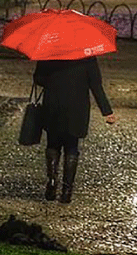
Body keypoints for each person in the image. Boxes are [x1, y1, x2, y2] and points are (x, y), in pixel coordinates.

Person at [33, 56, 116, 203]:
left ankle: (52, 182)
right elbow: (95, 84)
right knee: (72, 146)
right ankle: (67, 190)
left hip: (53, 104)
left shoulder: (49, 52)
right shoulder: (87, 56)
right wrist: (106, 111)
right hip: (76, 107)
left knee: (53, 144)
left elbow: (38, 78)